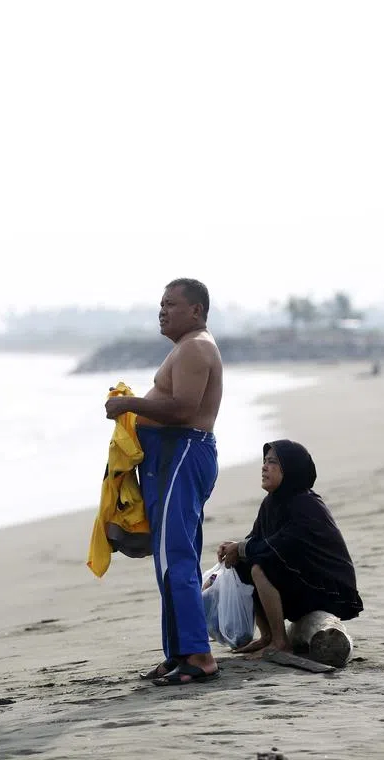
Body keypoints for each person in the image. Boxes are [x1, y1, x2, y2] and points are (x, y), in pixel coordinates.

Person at [105, 278, 223, 686]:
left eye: (171, 304)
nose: (162, 310)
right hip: (170, 456)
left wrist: (129, 404)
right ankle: (180, 652)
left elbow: (184, 409)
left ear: (196, 310)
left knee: (176, 557)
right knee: (167, 557)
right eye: (160, 304)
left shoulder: (195, 347)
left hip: (184, 452)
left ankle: (200, 657)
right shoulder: (185, 347)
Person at [216, 440, 363, 656]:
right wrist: (233, 549)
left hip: (329, 589)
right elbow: (256, 539)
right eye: (264, 461)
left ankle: (280, 641)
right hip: (300, 577)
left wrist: (242, 548)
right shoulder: (271, 503)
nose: (264, 467)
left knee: (260, 566)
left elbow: (281, 546)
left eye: (272, 462)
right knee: (244, 563)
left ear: (291, 469)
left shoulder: (305, 504)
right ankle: (267, 637)